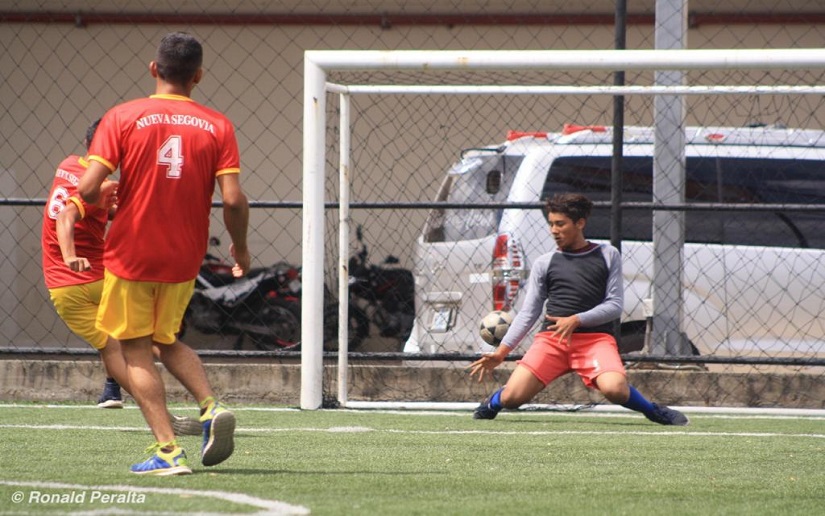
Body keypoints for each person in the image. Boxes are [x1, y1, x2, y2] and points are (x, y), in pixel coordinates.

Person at [78, 31, 251, 476]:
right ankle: (210, 406)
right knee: (165, 339)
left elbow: (87, 187)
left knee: (135, 349)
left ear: (154, 69)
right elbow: (233, 199)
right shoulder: (218, 125)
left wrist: (103, 196)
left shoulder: (122, 116)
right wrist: (240, 247)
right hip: (184, 257)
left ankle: (169, 451)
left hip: (132, 253)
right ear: (198, 76)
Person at [468, 193, 689, 426]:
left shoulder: (607, 254)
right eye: (551, 224)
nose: (554, 230)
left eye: (560, 224)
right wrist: (501, 352)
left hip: (595, 340)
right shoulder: (545, 262)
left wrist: (577, 319)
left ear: (580, 223)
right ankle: (493, 402)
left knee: (615, 389)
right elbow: (529, 312)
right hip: (552, 341)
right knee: (512, 398)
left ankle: (652, 410)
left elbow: (614, 305)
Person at [41, 118, 202, 433]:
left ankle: (116, 391)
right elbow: (67, 216)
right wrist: (71, 255)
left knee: (113, 346)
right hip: (95, 276)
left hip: (66, 286)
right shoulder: (100, 185)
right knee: (136, 340)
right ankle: (156, 405)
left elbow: (88, 210)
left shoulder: (68, 165)